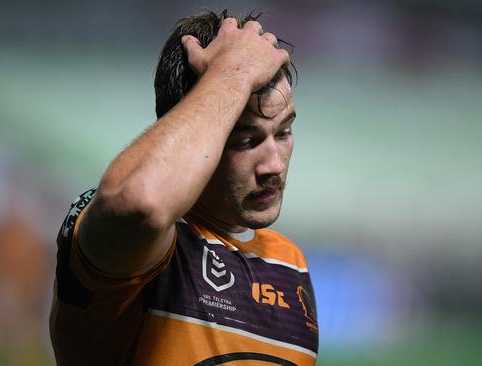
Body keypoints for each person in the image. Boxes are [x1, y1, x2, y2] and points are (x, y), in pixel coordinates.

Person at [50, 10, 318, 365]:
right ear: (197, 127)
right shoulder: (138, 241)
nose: (275, 164)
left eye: (283, 132)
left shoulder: (290, 264)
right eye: (245, 141)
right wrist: (231, 76)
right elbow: (140, 203)